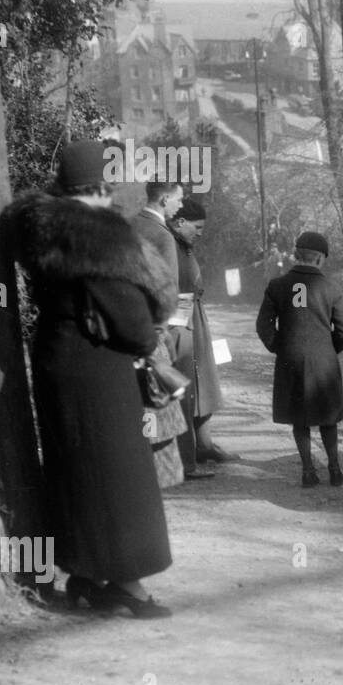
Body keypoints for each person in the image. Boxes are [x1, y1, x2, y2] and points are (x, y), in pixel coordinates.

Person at [5, 140, 176, 619]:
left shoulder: (43, 227)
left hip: (56, 356)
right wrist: (147, 343)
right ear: (102, 187)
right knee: (119, 475)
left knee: (78, 468)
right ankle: (128, 584)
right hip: (99, 367)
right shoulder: (100, 236)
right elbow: (133, 324)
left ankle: (85, 575)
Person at [256, 231, 343, 486]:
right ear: (321, 259)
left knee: (299, 417)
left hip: (290, 359)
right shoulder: (331, 288)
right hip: (324, 361)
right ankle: (335, 470)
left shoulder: (277, 285)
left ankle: (308, 471)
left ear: (297, 255)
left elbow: (263, 326)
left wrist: (281, 346)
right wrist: (330, 349)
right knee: (328, 417)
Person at [131, 180, 211, 480]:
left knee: (145, 398)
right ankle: (184, 464)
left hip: (131, 325)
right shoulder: (164, 237)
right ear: (164, 199)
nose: (181, 204)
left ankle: (145, 460)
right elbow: (169, 292)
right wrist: (167, 331)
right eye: (178, 199)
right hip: (164, 328)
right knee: (174, 393)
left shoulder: (131, 224)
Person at [168, 199, 240, 467]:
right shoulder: (171, 246)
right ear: (180, 222)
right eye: (196, 227)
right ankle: (190, 451)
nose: (200, 232)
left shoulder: (185, 247)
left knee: (205, 383)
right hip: (182, 322)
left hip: (195, 319)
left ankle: (205, 445)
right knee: (190, 384)